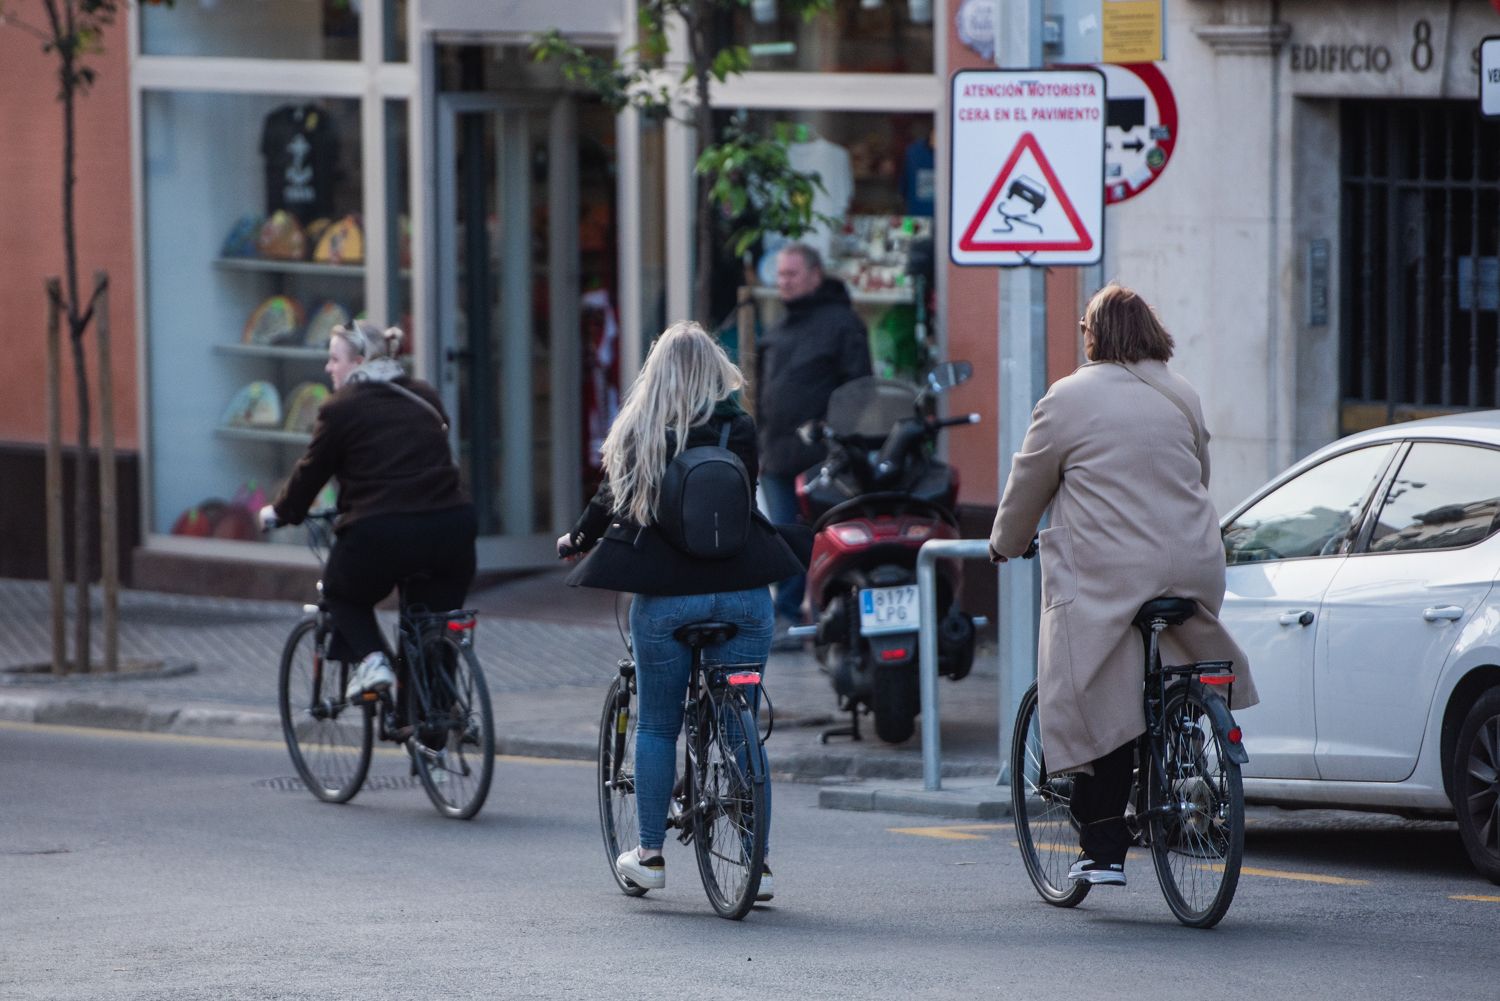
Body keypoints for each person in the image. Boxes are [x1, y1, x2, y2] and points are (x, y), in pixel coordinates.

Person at [987, 283, 1259, 887]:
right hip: (1193, 562)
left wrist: (1004, 544)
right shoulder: (1181, 392)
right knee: (1169, 673)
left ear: (1093, 335)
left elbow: (1029, 484)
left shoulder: (1067, 398)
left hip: (1110, 572)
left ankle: (1104, 848)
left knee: (1089, 688)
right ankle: (1181, 741)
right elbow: (1200, 473)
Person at [558, 321, 803, 899]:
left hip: (667, 602)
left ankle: (648, 855)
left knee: (659, 724)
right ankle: (757, 864)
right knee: (741, 725)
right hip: (746, 596)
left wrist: (578, 538)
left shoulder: (642, 430)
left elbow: (610, 500)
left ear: (656, 373)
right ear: (716, 371)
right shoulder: (738, 428)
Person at [259, 320, 476, 702]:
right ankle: (435, 743)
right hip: (452, 528)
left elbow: (312, 472)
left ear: (358, 361)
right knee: (432, 630)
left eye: (334, 359)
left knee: (342, 593)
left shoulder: (341, 408)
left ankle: (373, 661)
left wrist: (281, 512)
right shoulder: (424, 394)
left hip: (382, 530)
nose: (328, 368)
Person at [755, 243, 872, 648]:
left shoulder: (842, 324)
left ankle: (827, 618)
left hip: (823, 459)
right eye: (780, 275)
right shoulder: (777, 328)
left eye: (792, 274)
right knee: (782, 538)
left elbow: (859, 390)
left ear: (814, 275)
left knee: (821, 542)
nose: (783, 282)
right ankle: (787, 617)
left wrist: (836, 434)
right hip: (776, 455)